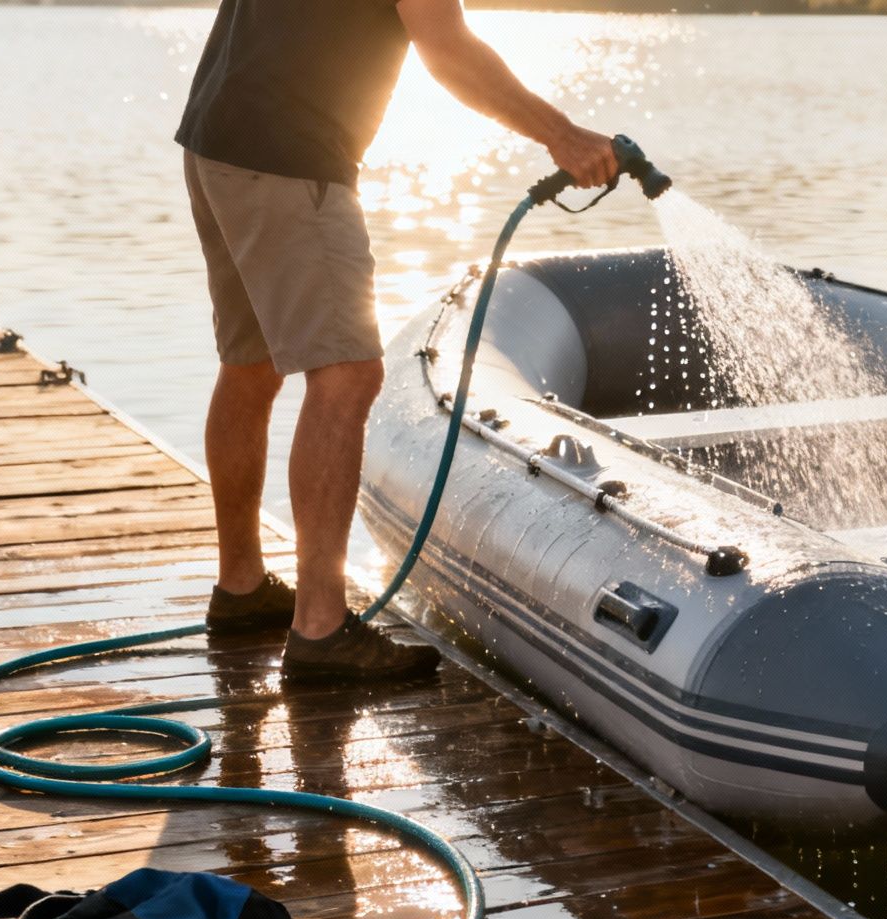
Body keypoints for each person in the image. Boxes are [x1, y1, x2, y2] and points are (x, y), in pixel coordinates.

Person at [177, 0, 617, 681]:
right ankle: (321, 628)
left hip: (218, 144)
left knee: (250, 363)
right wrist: (560, 135)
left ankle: (241, 588)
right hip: (288, 159)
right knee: (347, 374)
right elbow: (448, 50)